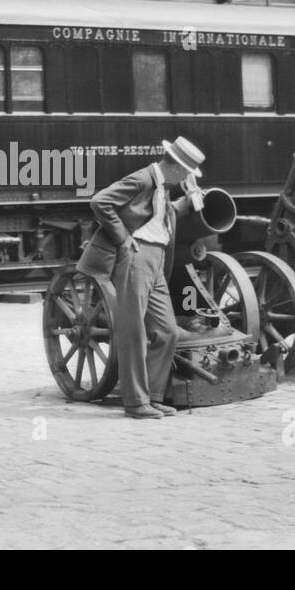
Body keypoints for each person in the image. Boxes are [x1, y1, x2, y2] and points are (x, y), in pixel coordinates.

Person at [77, 136, 206, 419]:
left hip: (156, 259)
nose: (186, 178)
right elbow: (100, 201)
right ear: (175, 168)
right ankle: (136, 403)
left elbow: (159, 216)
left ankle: (154, 396)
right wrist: (122, 237)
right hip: (137, 257)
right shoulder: (143, 179)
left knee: (167, 331)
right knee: (133, 331)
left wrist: (191, 197)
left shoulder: (163, 186)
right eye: (186, 173)